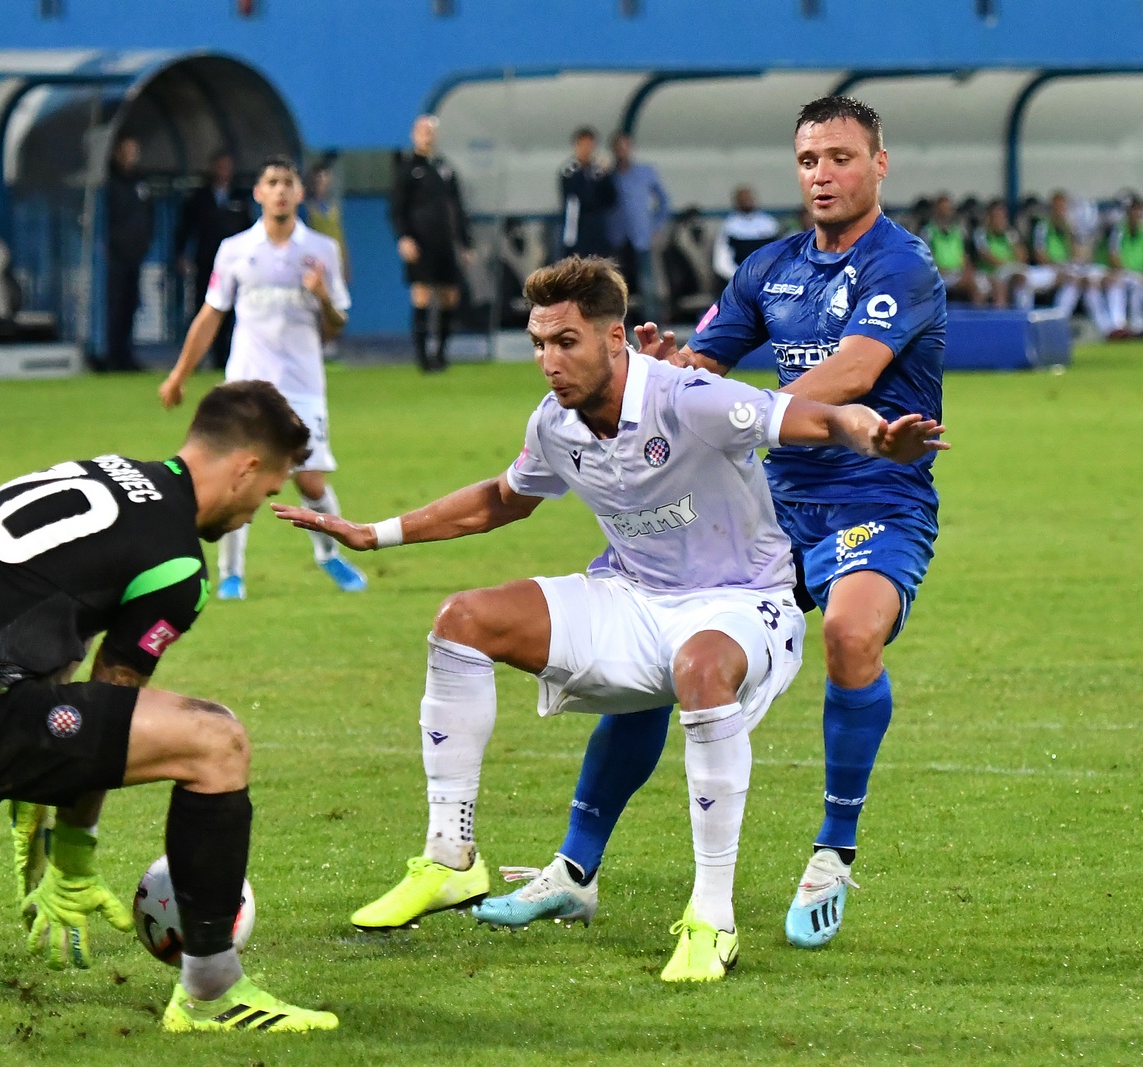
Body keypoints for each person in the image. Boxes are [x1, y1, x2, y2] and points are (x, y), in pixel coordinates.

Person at [273, 256, 945, 981]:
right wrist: (379, 532)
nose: (548, 361)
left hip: (742, 605)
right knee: (460, 620)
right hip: (630, 601)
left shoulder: (688, 397)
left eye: (565, 342)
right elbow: (504, 497)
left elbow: (809, 417)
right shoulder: (554, 423)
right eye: (538, 343)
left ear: (614, 338)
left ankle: (710, 918)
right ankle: (450, 857)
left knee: (699, 667)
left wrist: (874, 436)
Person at [477, 96, 948, 952]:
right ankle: (574, 870)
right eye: (809, 160)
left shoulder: (903, 265)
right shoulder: (768, 269)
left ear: (881, 165)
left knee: (849, 632)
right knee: (657, 646)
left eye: (841, 158)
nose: (822, 175)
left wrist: (716, 400)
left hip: (877, 496)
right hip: (767, 508)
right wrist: (659, 368)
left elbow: (851, 371)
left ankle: (834, 850)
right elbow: (703, 364)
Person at [0, 380, 340, 1033]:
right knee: (217, 741)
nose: (253, 512)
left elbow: (37, 610)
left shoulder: (109, 472)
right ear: (245, 467)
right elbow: (111, 694)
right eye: (268, 491)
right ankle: (213, 994)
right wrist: (75, 851)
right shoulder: (176, 563)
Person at [160, 155, 367, 598]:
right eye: (271, 182)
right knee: (238, 475)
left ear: (299, 193)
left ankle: (329, 555)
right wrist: (179, 375)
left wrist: (323, 297)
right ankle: (231, 573)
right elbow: (210, 316)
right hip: (246, 387)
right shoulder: (235, 250)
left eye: (287, 182)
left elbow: (335, 327)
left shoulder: (321, 251)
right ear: (257, 193)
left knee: (310, 482)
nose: (279, 190)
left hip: (303, 385)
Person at [390, 115, 473, 373]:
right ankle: (422, 358)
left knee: (450, 296)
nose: (427, 136)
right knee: (422, 295)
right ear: (414, 135)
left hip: (444, 243)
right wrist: (404, 237)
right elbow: (396, 209)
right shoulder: (407, 169)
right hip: (420, 242)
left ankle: (441, 354)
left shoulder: (444, 168)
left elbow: (457, 207)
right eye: (422, 131)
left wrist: (465, 242)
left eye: (431, 131)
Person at [172, 150, 253, 371]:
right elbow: (184, 228)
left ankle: (223, 358)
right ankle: (195, 358)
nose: (224, 171)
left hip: (235, 266)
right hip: (206, 262)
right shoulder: (199, 197)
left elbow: (249, 230)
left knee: (230, 313)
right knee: (204, 309)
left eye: (227, 166)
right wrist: (180, 254)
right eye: (220, 165)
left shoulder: (239, 197)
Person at [606, 132, 670, 324]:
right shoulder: (609, 175)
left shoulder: (645, 172)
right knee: (616, 284)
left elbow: (664, 201)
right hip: (617, 237)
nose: (623, 151)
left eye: (626, 147)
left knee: (648, 284)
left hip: (641, 236)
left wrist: (655, 224)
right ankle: (619, 326)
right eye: (619, 147)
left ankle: (652, 326)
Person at [104, 136, 153, 373]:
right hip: (114, 255)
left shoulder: (140, 181)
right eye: (126, 151)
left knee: (130, 304)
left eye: (134, 151)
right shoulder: (109, 182)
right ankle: (111, 354)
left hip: (135, 253)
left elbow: (147, 213)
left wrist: (145, 241)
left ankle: (126, 354)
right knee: (113, 305)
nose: (130, 156)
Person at [1104, 194, 1143, 339]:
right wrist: (1124, 271)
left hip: (1139, 272)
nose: (1138, 214)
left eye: (1140, 211)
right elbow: (1113, 254)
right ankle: (1118, 326)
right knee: (1117, 285)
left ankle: (1138, 326)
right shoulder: (1119, 230)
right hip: (1122, 271)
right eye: (1135, 211)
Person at [559, 127, 616, 258]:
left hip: (598, 232)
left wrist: (605, 175)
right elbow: (577, 198)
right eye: (583, 145)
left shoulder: (599, 171)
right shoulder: (569, 171)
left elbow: (611, 198)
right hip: (576, 233)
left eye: (590, 146)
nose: (587, 150)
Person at [712, 185, 782, 282]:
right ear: (736, 201)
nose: (747, 200)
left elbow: (779, 253)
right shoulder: (729, 226)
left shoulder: (769, 224)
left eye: (749, 197)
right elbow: (721, 262)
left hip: (768, 279)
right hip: (738, 280)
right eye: (743, 198)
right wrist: (739, 277)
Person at [971, 198, 1028, 309]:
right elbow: (985, 255)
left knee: (1023, 278)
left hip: (1008, 269)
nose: (999, 220)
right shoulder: (981, 233)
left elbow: (1022, 255)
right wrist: (1007, 265)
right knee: (996, 283)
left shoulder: (1009, 233)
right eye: (996, 216)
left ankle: (1023, 312)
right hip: (987, 272)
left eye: (1002, 217)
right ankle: (998, 314)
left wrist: (1012, 264)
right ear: (989, 217)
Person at [919, 194, 977, 304]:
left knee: (982, 285)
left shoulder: (958, 231)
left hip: (958, 273)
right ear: (936, 211)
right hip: (940, 274)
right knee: (972, 286)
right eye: (942, 209)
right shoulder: (928, 232)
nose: (945, 213)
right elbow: (926, 259)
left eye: (947, 209)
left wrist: (968, 271)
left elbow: (964, 255)